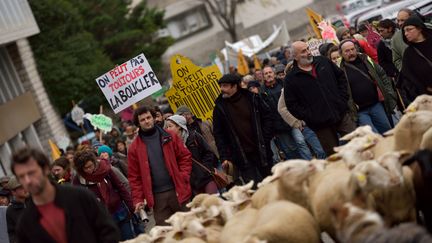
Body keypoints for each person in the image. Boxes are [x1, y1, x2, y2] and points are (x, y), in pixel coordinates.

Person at [11, 147, 120, 243]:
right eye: (21, 177)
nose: (28, 181)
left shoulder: (79, 197)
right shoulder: (26, 224)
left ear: (45, 169)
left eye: (31, 173)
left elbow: (108, 231)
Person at [284, 41, 356, 155]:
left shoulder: (323, 61)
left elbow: (341, 78)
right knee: (335, 156)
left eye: (308, 49)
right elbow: (291, 105)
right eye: (303, 51)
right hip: (321, 126)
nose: (308, 52)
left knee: (358, 143)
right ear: (295, 56)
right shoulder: (291, 78)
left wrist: (342, 100)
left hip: (341, 114)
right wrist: (311, 117)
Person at [128, 106, 192, 226]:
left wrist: (183, 176)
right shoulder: (133, 148)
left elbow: (185, 157)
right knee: (166, 234)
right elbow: (134, 178)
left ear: (154, 118)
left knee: (189, 226)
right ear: (138, 123)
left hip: (178, 190)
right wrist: (138, 199)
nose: (147, 121)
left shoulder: (170, 136)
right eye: (142, 120)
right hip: (157, 199)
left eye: (149, 117)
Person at [213, 74, 273, 186]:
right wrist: (224, 157)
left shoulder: (252, 98)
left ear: (235, 86)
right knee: (252, 189)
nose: (221, 89)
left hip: (261, 151)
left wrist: (265, 138)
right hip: (241, 157)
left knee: (271, 183)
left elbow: (268, 117)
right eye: (220, 86)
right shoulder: (219, 107)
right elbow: (218, 134)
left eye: (225, 86)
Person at [73, 150, 135, 240]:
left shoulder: (105, 169)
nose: (89, 170)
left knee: (129, 239)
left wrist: (131, 206)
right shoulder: (78, 180)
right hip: (101, 219)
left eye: (90, 166)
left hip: (119, 211)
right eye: (85, 168)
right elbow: (79, 203)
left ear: (94, 162)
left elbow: (120, 187)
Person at [339, 40, 397, 134]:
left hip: (376, 105)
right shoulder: (340, 69)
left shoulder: (366, 60)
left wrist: (389, 92)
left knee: (388, 131)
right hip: (360, 112)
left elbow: (382, 74)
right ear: (341, 54)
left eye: (352, 49)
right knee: (373, 136)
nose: (351, 53)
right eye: (347, 51)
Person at [166, 115, 219, 195]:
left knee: (213, 202)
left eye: (170, 126)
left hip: (206, 178)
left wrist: (205, 169)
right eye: (167, 127)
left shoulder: (194, 136)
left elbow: (208, 152)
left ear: (179, 126)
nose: (167, 129)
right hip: (192, 184)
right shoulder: (170, 145)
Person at [262, 66, 301, 160]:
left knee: (301, 142)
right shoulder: (262, 92)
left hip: (292, 119)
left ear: (274, 74)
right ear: (263, 77)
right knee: (290, 148)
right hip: (278, 126)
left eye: (270, 72)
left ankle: (307, 163)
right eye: (266, 73)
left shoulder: (283, 83)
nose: (268, 75)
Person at [399, 15, 432, 102]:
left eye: (409, 29)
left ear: (419, 28)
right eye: (404, 31)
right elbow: (410, 79)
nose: (406, 33)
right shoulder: (408, 54)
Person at [5, 176, 28, 243]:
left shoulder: (34, 202)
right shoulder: (10, 210)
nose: (25, 189)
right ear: (13, 192)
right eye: (21, 187)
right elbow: (12, 233)